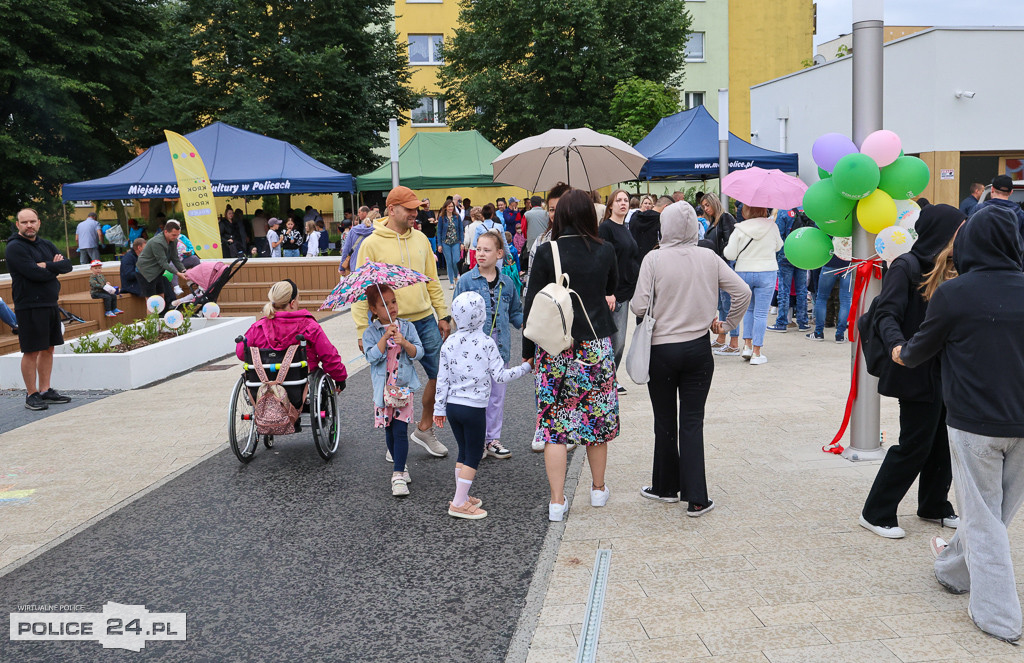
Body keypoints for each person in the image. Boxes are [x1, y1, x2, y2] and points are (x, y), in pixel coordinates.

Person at [891, 205, 1024, 643]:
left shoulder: (955, 293)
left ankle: (998, 616)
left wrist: (899, 353)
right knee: (995, 514)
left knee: (985, 518)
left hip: (973, 423)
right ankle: (953, 570)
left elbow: (919, 350)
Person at [630, 202, 751, 514]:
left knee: (665, 419)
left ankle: (665, 487)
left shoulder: (653, 259)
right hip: (699, 348)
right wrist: (727, 324)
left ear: (665, 227)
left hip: (662, 350)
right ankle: (697, 497)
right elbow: (742, 292)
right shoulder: (708, 256)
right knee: (693, 421)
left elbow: (639, 306)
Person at [860, 204, 964, 539]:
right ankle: (876, 511)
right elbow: (886, 314)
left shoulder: (954, 266)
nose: (964, 234)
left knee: (941, 441)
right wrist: (897, 347)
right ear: (942, 232)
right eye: (959, 228)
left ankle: (934, 504)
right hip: (913, 366)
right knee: (915, 443)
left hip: (945, 369)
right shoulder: (906, 266)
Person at [522, 188, 619, 521]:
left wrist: (527, 352)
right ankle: (597, 490)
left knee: (554, 426)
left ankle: (557, 502)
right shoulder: (606, 249)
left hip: (555, 349)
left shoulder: (548, 251)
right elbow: (614, 287)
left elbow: (531, 303)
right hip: (595, 346)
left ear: (559, 215)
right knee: (596, 419)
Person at [351, 186, 451, 458]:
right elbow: (362, 288)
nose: (415, 213)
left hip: (424, 320)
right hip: (389, 325)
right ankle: (396, 441)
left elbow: (431, 279)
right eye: (409, 208)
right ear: (392, 209)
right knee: (392, 383)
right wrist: (363, 329)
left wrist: (442, 313)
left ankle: (424, 429)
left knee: (441, 376)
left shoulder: (420, 238)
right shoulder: (371, 243)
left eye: (416, 208)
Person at [434, 292, 533, 519]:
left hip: (452, 407)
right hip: (474, 408)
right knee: (474, 454)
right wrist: (526, 367)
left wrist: (438, 409)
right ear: (482, 316)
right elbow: (500, 376)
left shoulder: (449, 342)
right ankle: (459, 503)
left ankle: (462, 494)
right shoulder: (487, 343)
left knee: (463, 451)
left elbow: (442, 378)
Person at [454, 229, 523, 460]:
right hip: (473, 349)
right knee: (475, 395)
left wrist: (536, 327)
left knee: (496, 394)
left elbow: (515, 314)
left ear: (499, 253)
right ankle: (477, 440)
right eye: (478, 250)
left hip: (499, 345)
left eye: (487, 250)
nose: (480, 254)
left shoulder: (507, 283)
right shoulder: (466, 281)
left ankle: (492, 439)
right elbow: (457, 313)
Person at [6, 208, 73, 410]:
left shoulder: (45, 244)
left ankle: (45, 390)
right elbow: (33, 273)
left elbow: (68, 265)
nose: (29, 225)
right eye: (24, 222)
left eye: (32, 221)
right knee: (31, 351)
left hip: (50, 303)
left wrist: (46, 265)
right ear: (17, 225)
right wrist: (53, 267)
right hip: (29, 306)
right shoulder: (15, 247)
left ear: (39, 222)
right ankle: (31, 394)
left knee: (48, 348)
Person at [363, 284, 423, 496]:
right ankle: (400, 462)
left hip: (403, 389)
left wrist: (404, 342)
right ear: (374, 310)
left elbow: (419, 352)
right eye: (384, 304)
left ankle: (398, 474)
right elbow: (370, 357)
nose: (391, 307)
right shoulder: (370, 332)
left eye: (393, 301)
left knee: (400, 430)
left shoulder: (407, 327)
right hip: (383, 391)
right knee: (389, 429)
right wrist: (383, 338)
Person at [237, 278, 348, 384]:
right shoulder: (309, 326)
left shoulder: (258, 327)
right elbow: (328, 355)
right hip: (301, 383)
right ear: (292, 303)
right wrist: (340, 377)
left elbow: (242, 353)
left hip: (265, 381)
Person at [722, 204, 783, 365]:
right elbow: (779, 246)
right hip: (767, 271)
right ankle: (757, 353)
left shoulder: (740, 228)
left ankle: (747, 346)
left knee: (748, 310)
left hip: (743, 272)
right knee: (761, 314)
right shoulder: (772, 226)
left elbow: (729, 253)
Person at [599, 189, 640, 383]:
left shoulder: (625, 227)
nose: (623, 203)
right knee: (617, 340)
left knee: (620, 340)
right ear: (610, 205)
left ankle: (610, 378)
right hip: (614, 293)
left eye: (625, 200)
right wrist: (608, 291)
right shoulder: (606, 228)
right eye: (618, 200)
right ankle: (608, 379)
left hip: (627, 290)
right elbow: (603, 261)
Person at [702, 193, 741, 356]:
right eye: (703, 206)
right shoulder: (713, 221)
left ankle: (734, 342)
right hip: (716, 267)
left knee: (728, 305)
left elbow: (730, 242)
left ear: (714, 203)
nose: (705, 208)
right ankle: (721, 338)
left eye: (707, 205)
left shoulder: (725, 218)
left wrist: (722, 259)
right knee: (720, 305)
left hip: (724, 266)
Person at [767, 208, 811, 334]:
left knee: (783, 290)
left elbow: (779, 235)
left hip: (785, 254)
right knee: (802, 290)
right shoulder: (805, 211)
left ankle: (781, 322)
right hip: (802, 255)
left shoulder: (782, 212)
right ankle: (803, 322)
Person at [807, 240, 852, 342]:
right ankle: (840, 335)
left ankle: (818, 333)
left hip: (830, 262)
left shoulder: (828, 224)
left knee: (822, 298)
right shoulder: (850, 224)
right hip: (848, 263)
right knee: (846, 300)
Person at [136, 220, 188, 309]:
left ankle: (161, 318)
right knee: (152, 302)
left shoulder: (174, 241)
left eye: (177, 235)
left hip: (158, 272)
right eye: (173, 235)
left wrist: (184, 270)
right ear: (166, 232)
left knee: (161, 296)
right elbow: (163, 262)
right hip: (145, 272)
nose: (176, 237)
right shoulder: (157, 242)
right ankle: (151, 321)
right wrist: (178, 273)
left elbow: (175, 258)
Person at [630, 195, 670, 266]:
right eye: (645, 203)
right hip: (652, 261)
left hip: (634, 260)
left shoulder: (634, 217)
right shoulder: (660, 220)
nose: (647, 205)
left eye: (649, 203)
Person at [340, 210, 377, 275]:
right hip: (373, 268)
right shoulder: (378, 231)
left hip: (355, 266)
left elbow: (346, 250)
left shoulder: (354, 230)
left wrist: (341, 268)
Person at [437, 199, 463, 288]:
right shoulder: (442, 218)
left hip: (456, 241)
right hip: (445, 242)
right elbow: (439, 231)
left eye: (452, 206)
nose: (451, 208)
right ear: (445, 207)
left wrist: (462, 242)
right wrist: (439, 244)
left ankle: (456, 276)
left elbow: (460, 230)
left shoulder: (457, 217)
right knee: (449, 262)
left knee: (456, 260)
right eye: (449, 206)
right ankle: (451, 282)